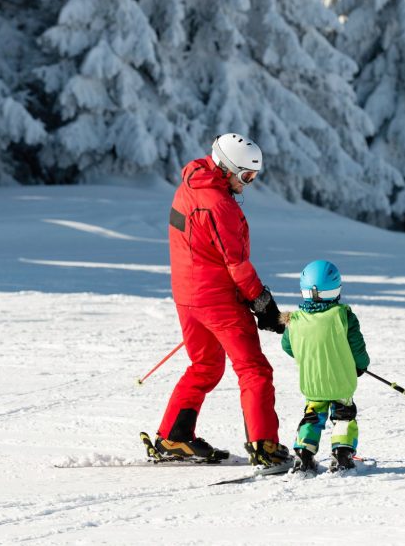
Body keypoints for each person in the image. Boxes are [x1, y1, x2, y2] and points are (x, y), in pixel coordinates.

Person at [153, 133, 292, 471]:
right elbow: (237, 265)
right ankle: (265, 445)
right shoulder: (219, 204)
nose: (249, 183)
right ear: (227, 168)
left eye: (254, 177)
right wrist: (263, 305)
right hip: (217, 300)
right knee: (254, 369)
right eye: (246, 176)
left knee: (205, 366)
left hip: (188, 297)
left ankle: (174, 436)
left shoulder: (190, 182)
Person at [280, 259, 370, 473]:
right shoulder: (343, 315)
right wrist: (361, 365)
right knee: (344, 416)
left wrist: (309, 356)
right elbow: (357, 347)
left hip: (313, 382)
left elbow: (288, 346)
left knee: (312, 415)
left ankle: (304, 454)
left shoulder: (294, 320)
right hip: (341, 381)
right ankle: (342, 454)